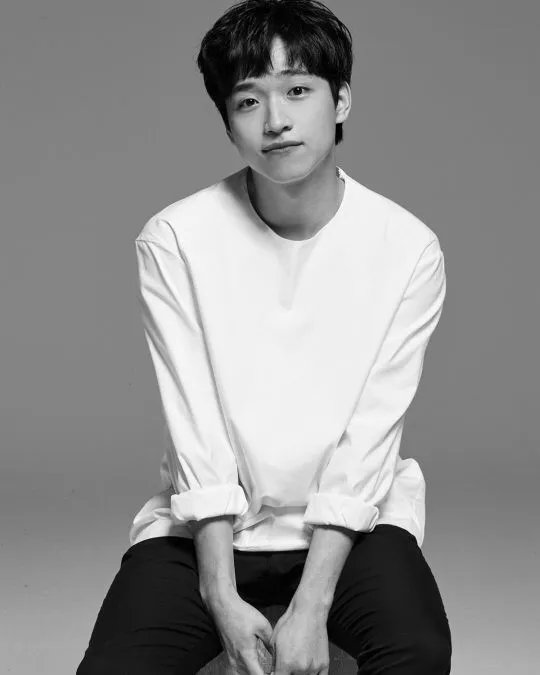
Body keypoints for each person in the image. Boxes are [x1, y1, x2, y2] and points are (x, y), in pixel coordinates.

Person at [76, 1, 452, 673]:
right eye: (248, 100)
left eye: (297, 91)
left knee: (416, 653)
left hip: (355, 526)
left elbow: (369, 439)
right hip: (207, 531)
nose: (275, 120)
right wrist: (219, 594)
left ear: (341, 100)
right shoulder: (176, 239)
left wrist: (311, 605)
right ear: (228, 121)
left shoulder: (407, 248)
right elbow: (196, 429)